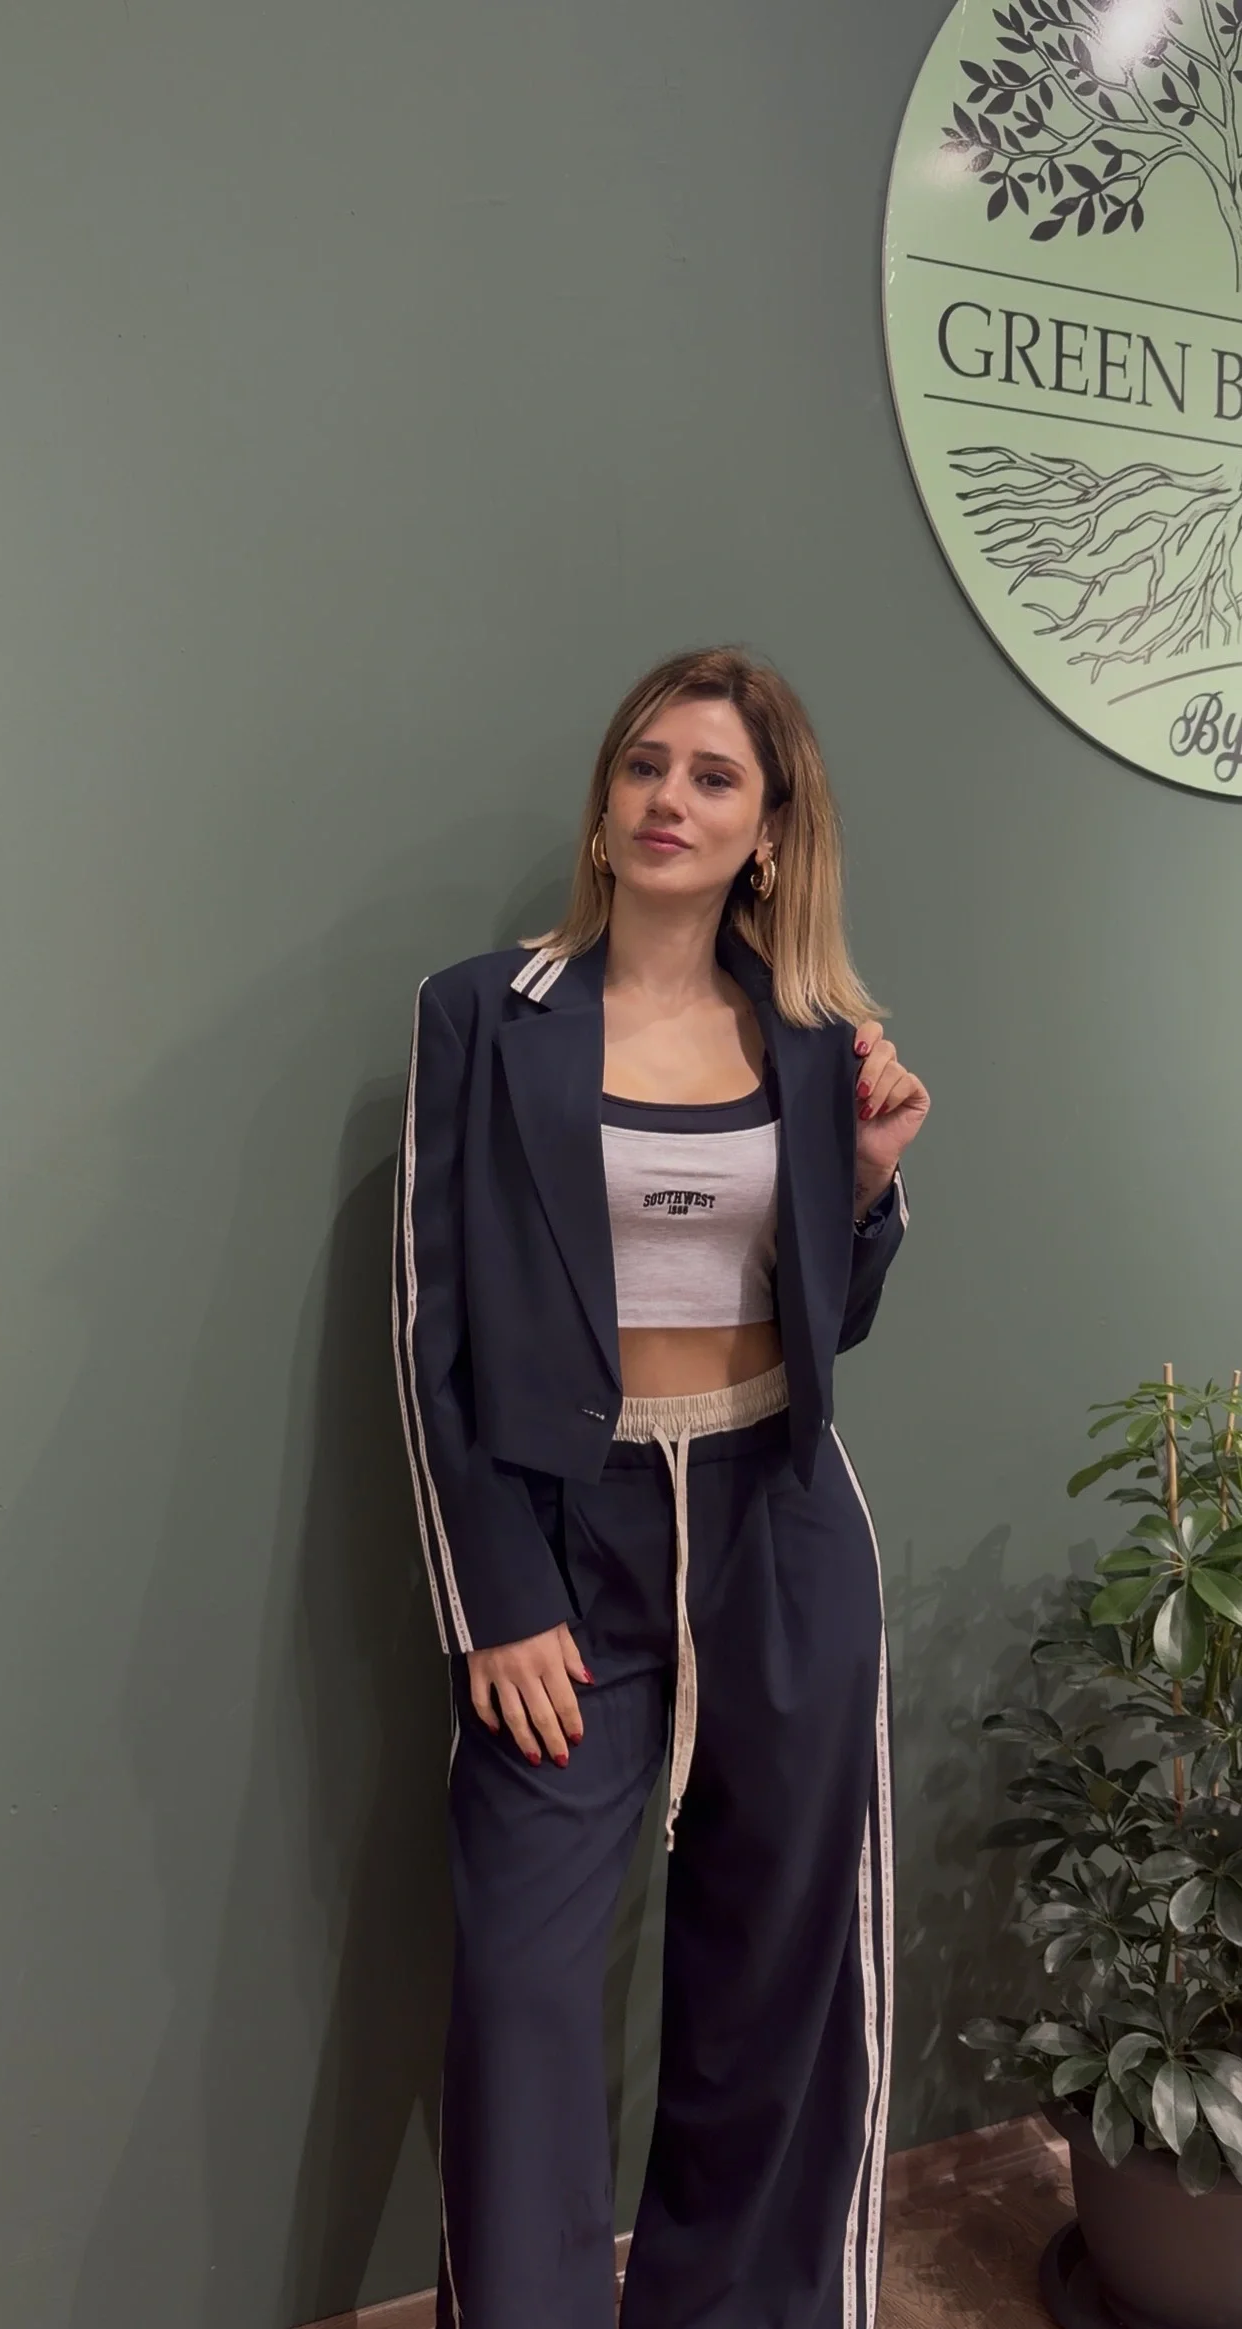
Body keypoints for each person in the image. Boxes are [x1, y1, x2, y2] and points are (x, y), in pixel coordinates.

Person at [391, 645, 930, 2329]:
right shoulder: (485, 1016)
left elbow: (828, 1322)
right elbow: (428, 1331)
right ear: (604, 802)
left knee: (777, 1986)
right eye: (645, 764)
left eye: (713, 777)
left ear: (770, 831)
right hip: (569, 1535)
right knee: (526, 1995)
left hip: (778, 1526)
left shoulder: (816, 1044)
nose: (668, 800)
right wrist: (497, 1600)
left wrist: (867, 1185)